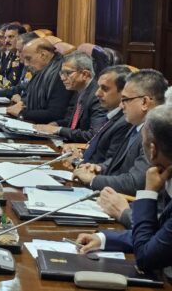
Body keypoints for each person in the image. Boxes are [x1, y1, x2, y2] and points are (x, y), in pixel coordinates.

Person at [76, 104, 172, 273]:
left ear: (152, 150)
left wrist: (148, 193)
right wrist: (104, 239)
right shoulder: (166, 174)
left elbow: (146, 257)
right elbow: (158, 235)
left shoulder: (158, 179)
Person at [73, 69, 167, 195]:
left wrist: (93, 180)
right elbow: (119, 163)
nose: (121, 106)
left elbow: (135, 183)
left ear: (144, 102)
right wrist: (99, 168)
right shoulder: (136, 125)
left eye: (125, 99)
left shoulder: (155, 135)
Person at [63, 65, 133, 166]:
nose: (97, 93)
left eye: (105, 89)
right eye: (98, 87)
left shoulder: (125, 122)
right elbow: (98, 153)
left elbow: (110, 165)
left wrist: (76, 161)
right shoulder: (112, 116)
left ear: (123, 92)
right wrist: (79, 154)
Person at [34, 51, 106, 142]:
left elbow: (94, 135)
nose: (62, 78)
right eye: (61, 73)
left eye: (68, 73)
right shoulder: (79, 91)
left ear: (85, 74)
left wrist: (59, 130)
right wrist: (57, 124)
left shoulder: (97, 96)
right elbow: (75, 122)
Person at [5, 38, 73, 123]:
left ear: (43, 55)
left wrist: (21, 113)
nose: (26, 64)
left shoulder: (60, 74)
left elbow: (56, 114)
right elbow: (28, 92)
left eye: (28, 58)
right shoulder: (42, 68)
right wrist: (22, 103)